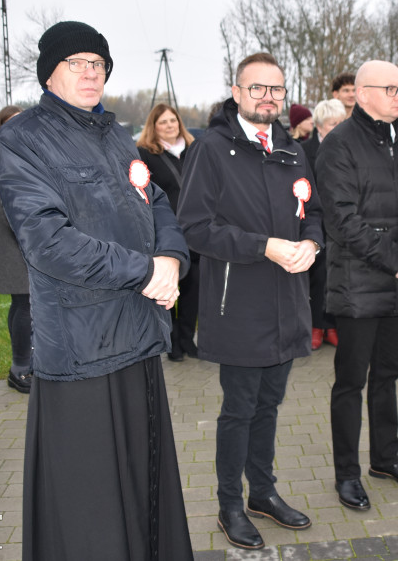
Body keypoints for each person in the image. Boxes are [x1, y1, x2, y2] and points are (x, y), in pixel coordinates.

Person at [0, 20, 193, 560]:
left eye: (98, 63)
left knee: (144, 484)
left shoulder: (115, 133)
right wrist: (145, 270)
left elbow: (158, 205)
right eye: (76, 62)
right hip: (81, 347)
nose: (90, 72)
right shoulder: (22, 138)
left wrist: (170, 257)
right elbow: (48, 241)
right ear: (49, 74)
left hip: (138, 335)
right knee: (90, 507)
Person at [177, 52, 323, 551]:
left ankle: (263, 493)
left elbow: (314, 212)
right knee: (239, 409)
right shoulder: (212, 149)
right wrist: (264, 246)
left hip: (288, 300)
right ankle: (230, 506)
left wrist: (312, 243)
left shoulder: (292, 149)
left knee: (271, 405)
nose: (268, 97)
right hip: (236, 304)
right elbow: (194, 228)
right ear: (236, 93)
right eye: (256, 88)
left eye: (276, 90)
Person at [316, 60, 398, 512]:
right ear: (363, 92)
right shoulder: (339, 145)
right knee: (351, 381)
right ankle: (347, 474)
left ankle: (385, 460)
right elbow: (342, 219)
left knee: (389, 376)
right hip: (359, 285)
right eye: (390, 88)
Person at [137, 102, 200, 362]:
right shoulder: (144, 154)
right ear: (154, 127)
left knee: (193, 288)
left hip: (196, 230)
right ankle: (172, 341)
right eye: (163, 122)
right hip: (165, 232)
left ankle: (188, 340)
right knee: (170, 287)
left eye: (173, 121)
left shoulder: (194, 151)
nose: (169, 126)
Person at [0, 106, 33, 392]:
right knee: (25, 303)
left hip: (34, 240)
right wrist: (36, 235)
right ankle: (20, 369)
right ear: (0, 128)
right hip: (13, 243)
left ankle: (29, 362)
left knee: (27, 303)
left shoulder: (31, 157)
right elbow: (3, 209)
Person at [301, 98, 347, 350]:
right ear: (319, 126)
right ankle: (315, 326)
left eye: (341, 122)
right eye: (333, 123)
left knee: (337, 276)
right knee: (318, 276)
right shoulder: (304, 151)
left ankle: (333, 326)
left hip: (343, 223)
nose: (338, 127)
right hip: (315, 223)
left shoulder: (349, 148)